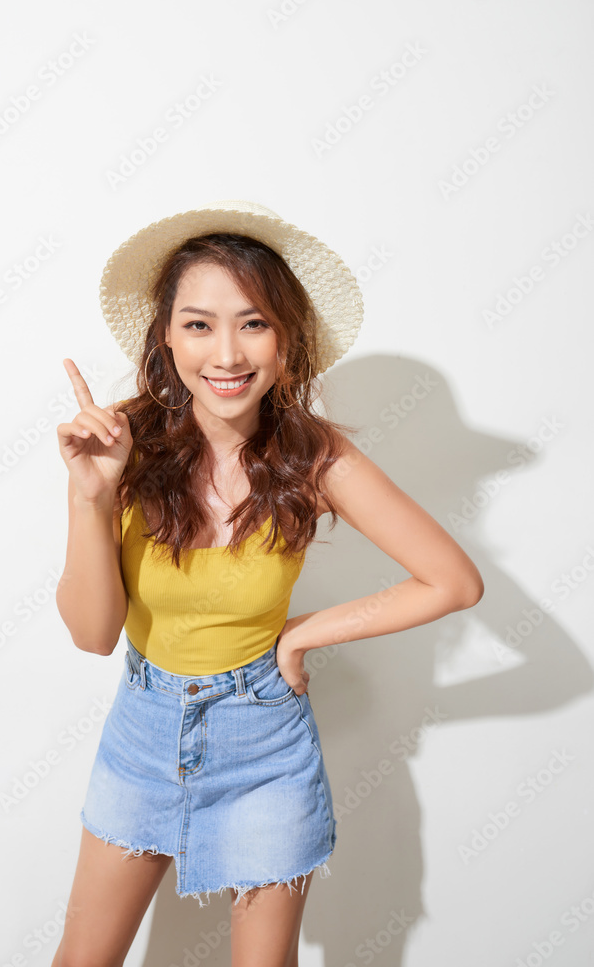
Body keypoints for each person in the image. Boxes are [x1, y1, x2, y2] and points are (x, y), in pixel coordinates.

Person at [52, 200, 484, 966]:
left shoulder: (316, 459)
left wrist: (306, 630)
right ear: (164, 337)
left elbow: (451, 582)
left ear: (287, 341)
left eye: (252, 323)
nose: (226, 353)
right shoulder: (120, 440)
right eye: (198, 324)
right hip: (142, 735)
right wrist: (90, 496)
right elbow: (91, 636)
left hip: (265, 744)